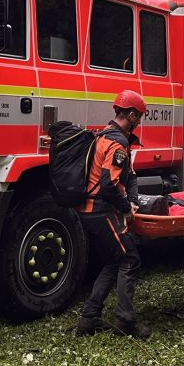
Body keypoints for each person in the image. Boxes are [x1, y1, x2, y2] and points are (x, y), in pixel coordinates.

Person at [76, 90, 151, 339]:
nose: (139, 121)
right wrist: (126, 208)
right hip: (100, 211)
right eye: (138, 116)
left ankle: (89, 318)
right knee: (130, 260)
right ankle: (126, 322)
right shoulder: (117, 142)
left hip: (90, 211)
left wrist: (130, 198)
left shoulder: (104, 136)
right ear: (130, 114)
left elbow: (126, 177)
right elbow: (108, 184)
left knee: (113, 261)